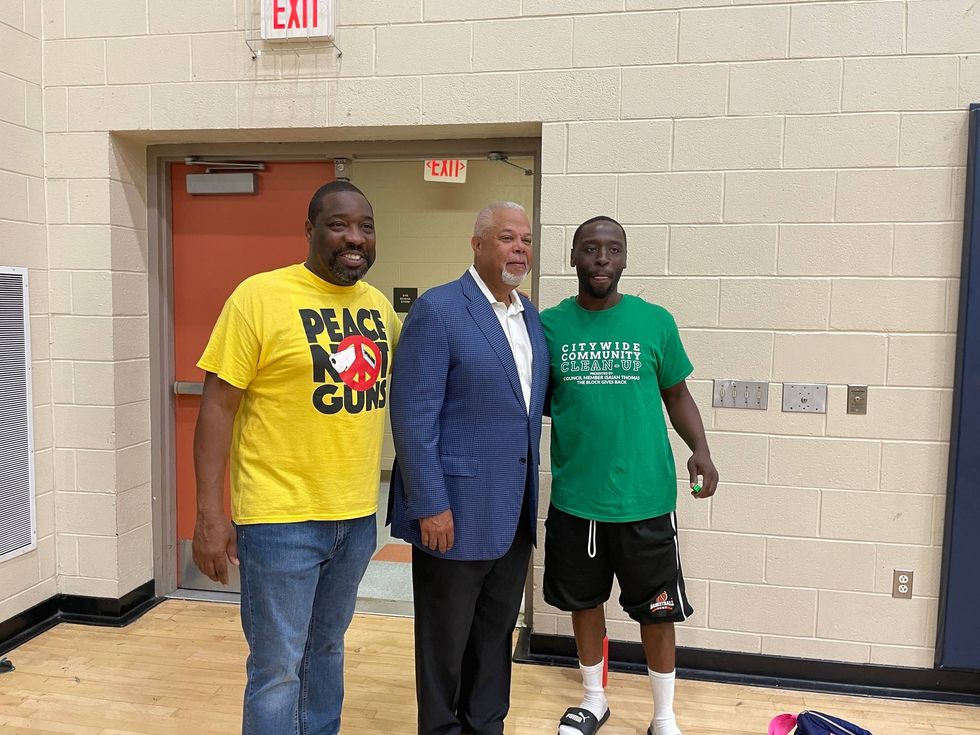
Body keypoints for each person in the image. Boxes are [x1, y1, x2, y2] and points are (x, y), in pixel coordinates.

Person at [191, 180, 400, 735]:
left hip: (355, 516)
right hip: (279, 517)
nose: (354, 238)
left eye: (365, 226)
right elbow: (217, 405)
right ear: (309, 230)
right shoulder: (258, 297)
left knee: (327, 649)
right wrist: (210, 514)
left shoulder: (377, 308)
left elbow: (416, 385)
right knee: (277, 667)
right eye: (338, 225)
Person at [541, 216, 719, 735]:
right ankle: (594, 700)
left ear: (625, 258)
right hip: (577, 498)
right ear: (573, 256)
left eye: (612, 249)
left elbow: (677, 395)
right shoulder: (549, 327)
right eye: (591, 249)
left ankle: (664, 717)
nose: (602, 259)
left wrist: (702, 451)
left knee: (657, 612)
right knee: (584, 602)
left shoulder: (655, 321)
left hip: (645, 497)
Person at [387, 201, 550, 735]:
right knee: (445, 647)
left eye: (526, 239)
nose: (519, 249)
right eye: (507, 238)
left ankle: (486, 726)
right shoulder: (439, 310)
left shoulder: (530, 317)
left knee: (495, 637)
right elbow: (413, 417)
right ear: (477, 245)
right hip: (452, 516)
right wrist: (430, 504)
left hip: (512, 515)